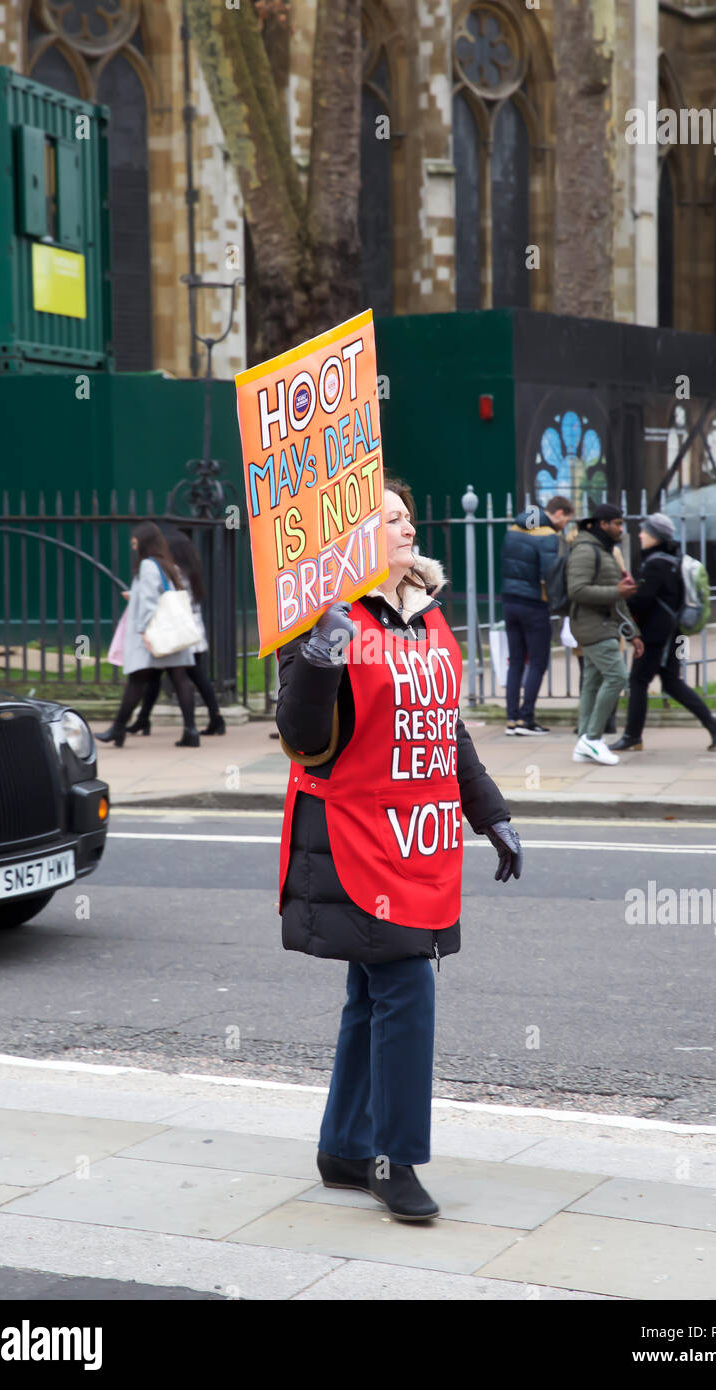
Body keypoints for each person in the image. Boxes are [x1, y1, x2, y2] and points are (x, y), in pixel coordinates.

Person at [276, 476, 522, 1222]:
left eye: (408, 517)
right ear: (353, 541)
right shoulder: (325, 617)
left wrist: (490, 812)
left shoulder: (427, 616)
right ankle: (394, 1160)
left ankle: (344, 1146)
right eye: (388, 521)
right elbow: (300, 737)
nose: (407, 529)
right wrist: (319, 656)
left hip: (422, 837)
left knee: (371, 990)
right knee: (406, 986)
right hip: (356, 837)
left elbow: (443, 727)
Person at [611, 513, 716, 752]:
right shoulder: (673, 559)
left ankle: (633, 736)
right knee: (671, 681)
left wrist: (620, 599)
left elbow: (643, 600)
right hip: (675, 632)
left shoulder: (657, 564)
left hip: (659, 635)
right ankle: (713, 724)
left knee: (638, 680)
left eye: (645, 531)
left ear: (656, 536)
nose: (640, 534)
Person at [95, 522, 199, 748]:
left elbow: (151, 600)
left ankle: (118, 728)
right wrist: (135, 594)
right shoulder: (166, 564)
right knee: (180, 680)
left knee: (136, 680)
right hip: (171, 633)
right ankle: (191, 731)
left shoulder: (148, 566)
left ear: (144, 542)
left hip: (154, 633)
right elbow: (162, 593)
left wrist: (143, 630)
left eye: (135, 542)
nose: (133, 546)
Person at [125, 532, 226, 737]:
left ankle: (207, 721)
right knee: (178, 677)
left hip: (177, 633)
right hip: (189, 631)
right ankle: (144, 719)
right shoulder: (191, 570)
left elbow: (165, 598)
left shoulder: (175, 571)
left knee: (183, 678)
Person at [566, 502, 643, 765]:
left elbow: (617, 598)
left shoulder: (604, 549)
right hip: (593, 626)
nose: (621, 528)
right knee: (618, 677)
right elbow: (576, 590)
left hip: (604, 625)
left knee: (592, 681)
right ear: (603, 524)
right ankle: (593, 738)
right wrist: (616, 592)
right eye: (617, 523)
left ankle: (583, 743)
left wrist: (633, 633)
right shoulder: (586, 550)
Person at [500, 495, 574, 735]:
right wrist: (560, 602)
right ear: (559, 513)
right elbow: (550, 574)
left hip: (510, 601)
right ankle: (526, 719)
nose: (566, 525)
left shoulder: (514, 528)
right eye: (567, 520)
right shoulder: (548, 535)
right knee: (539, 661)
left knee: (516, 661)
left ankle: (512, 720)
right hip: (534, 604)